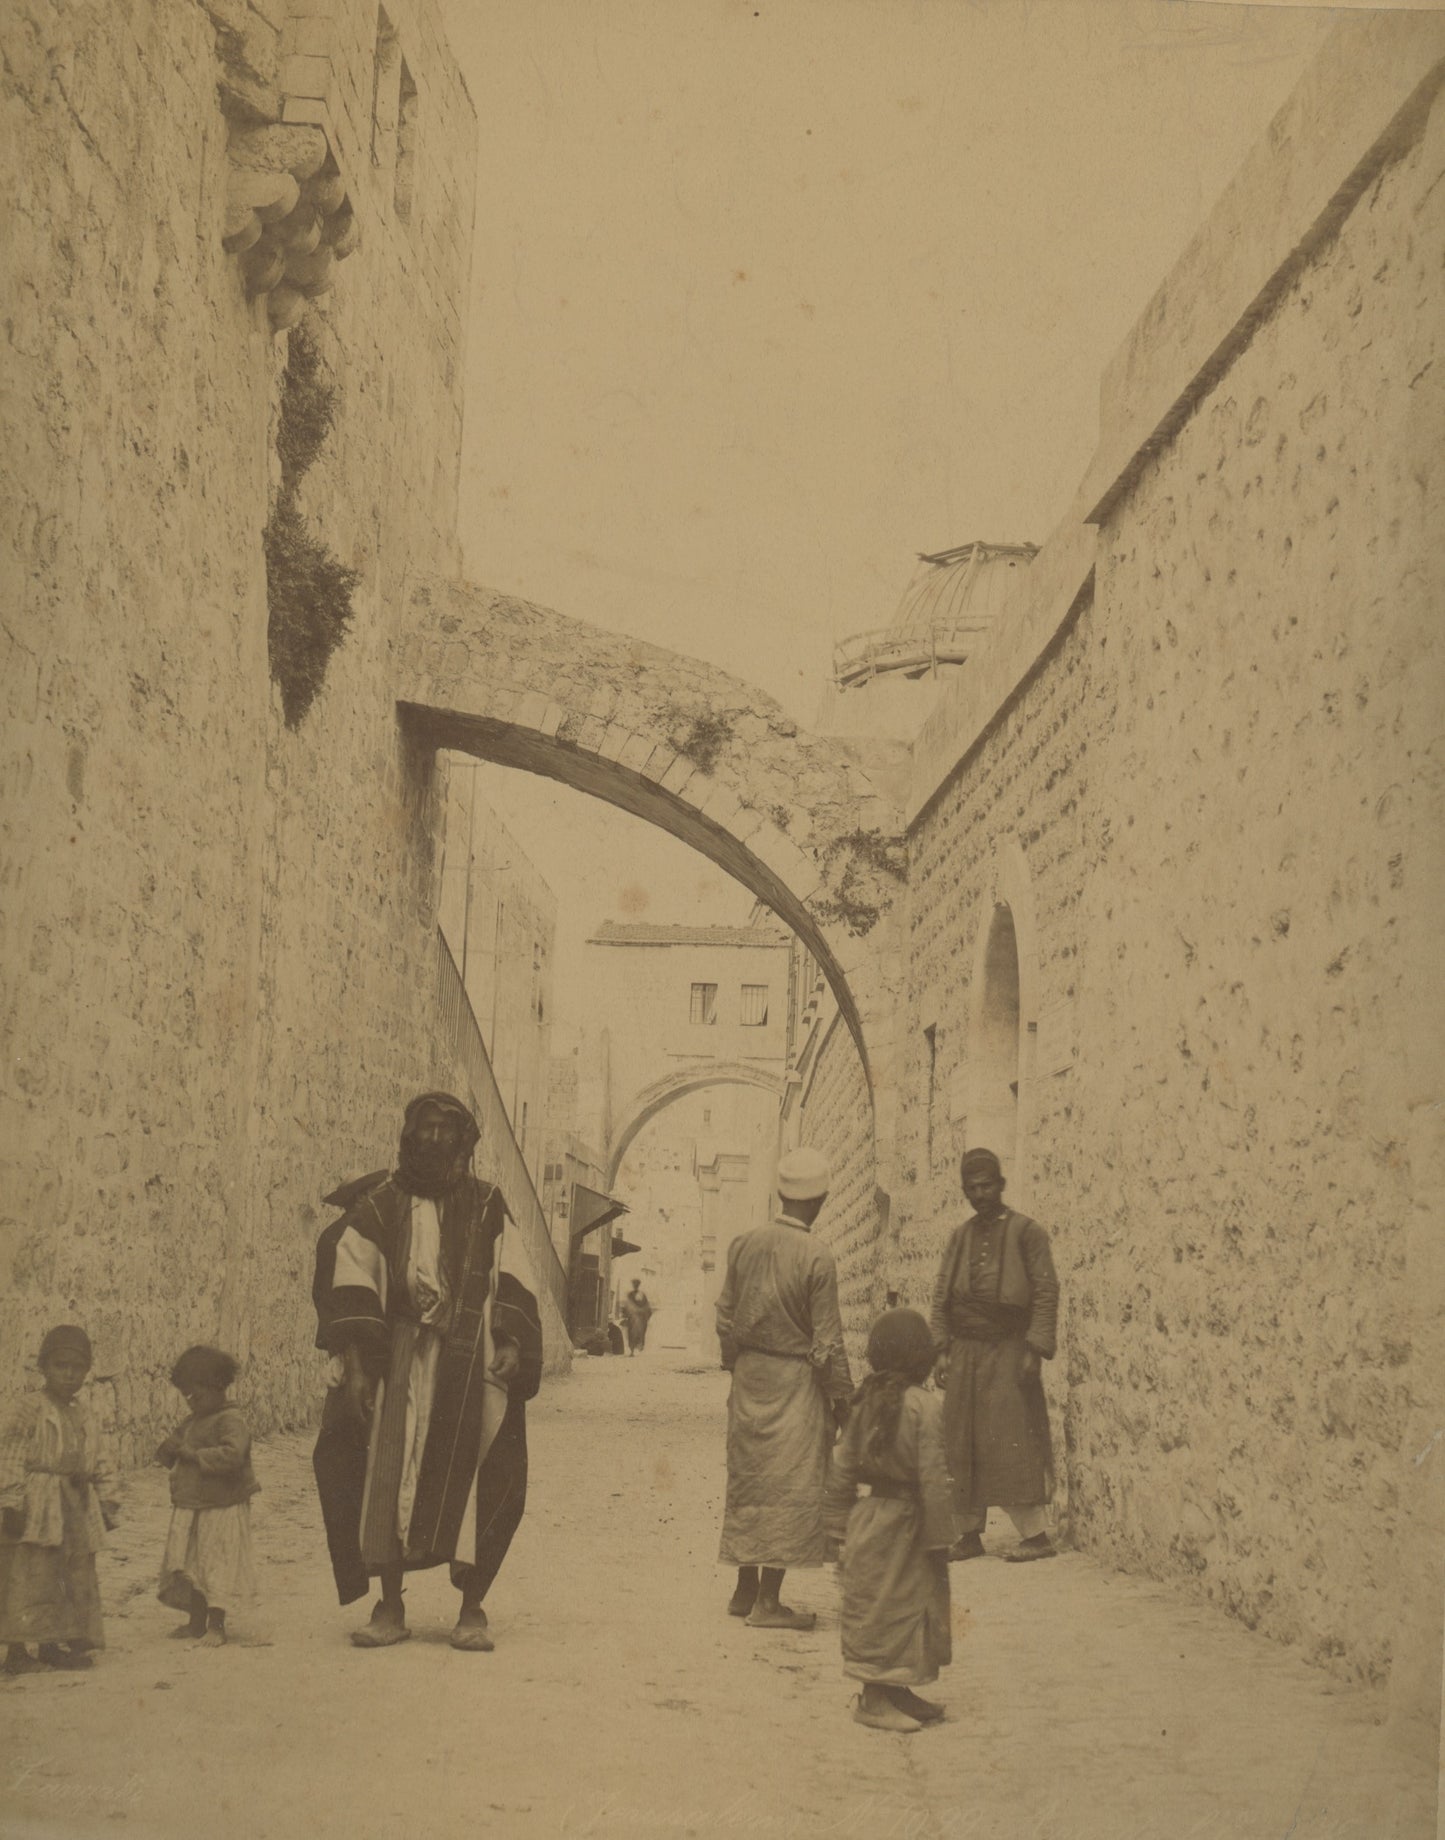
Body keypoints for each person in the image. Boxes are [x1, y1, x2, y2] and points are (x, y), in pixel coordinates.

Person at [310, 1091, 543, 1650]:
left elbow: (513, 1273)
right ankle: (388, 1605)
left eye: (447, 1131)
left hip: (470, 1363)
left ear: (464, 1143)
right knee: (386, 1478)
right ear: (408, 1136)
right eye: (425, 1128)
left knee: (481, 1475)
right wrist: (360, 1365)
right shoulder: (381, 1207)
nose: (434, 1140)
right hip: (400, 1360)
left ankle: (472, 1607)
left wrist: (510, 1339)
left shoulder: (489, 1205)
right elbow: (354, 1278)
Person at [715, 1145, 853, 1630]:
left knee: (750, 1480)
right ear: (817, 1202)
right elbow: (827, 1345)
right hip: (795, 1384)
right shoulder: (818, 1257)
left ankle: (743, 1586)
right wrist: (843, 1403)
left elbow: (725, 1318)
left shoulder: (743, 1244)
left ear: (779, 1193)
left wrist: (737, 1367)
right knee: (789, 1485)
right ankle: (768, 1603)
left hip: (751, 1377)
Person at [826, 1309, 956, 1732]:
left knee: (882, 1604)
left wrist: (837, 1524)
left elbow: (842, 1465)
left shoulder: (864, 1402)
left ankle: (897, 1689)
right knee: (901, 1606)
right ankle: (872, 1698)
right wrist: (940, 1537)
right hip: (909, 1525)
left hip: (870, 1519)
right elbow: (934, 1477)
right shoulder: (925, 1408)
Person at [929, 1148, 1059, 1562]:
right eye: (972, 1188)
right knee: (959, 1439)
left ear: (1001, 1185)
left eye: (987, 1185)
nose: (980, 1194)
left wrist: (1035, 1348)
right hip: (965, 1350)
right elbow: (941, 1296)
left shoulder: (1027, 1232)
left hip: (1009, 1348)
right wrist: (941, 1350)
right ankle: (966, 1534)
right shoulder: (960, 1236)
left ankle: (1036, 1536)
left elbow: (1045, 1291)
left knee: (1011, 1438)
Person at [0, 1325, 118, 1674]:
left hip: (73, 1507)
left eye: (77, 1368)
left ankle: (53, 1644)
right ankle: (17, 1651)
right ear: (44, 1367)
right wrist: (10, 1502)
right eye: (59, 1366)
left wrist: (108, 1500)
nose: (68, 1374)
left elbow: (100, 1458)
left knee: (64, 1573)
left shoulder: (84, 1412)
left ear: (86, 1371)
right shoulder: (27, 1409)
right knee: (26, 1573)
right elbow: (9, 1456)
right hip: (36, 1505)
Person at [156, 1346, 260, 1646]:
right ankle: (196, 1621)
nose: (191, 1402)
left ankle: (217, 1624)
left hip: (221, 1507)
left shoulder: (230, 1420)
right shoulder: (192, 1421)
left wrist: (195, 1454)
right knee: (193, 1565)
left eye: (196, 1395)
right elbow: (175, 1446)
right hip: (193, 1506)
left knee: (215, 1565)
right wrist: (168, 1451)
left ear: (217, 1387)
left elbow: (234, 1455)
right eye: (186, 1395)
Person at [620, 1278, 654, 1355]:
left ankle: (638, 1347)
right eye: (634, 1284)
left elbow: (646, 1306)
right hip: (632, 1318)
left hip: (641, 1319)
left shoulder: (642, 1295)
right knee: (631, 1334)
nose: (635, 1286)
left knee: (640, 1333)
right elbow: (627, 1306)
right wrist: (625, 1314)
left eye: (636, 1284)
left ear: (638, 1285)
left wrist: (644, 1313)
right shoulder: (630, 1294)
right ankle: (631, 1350)